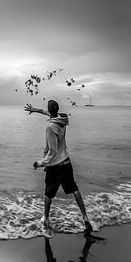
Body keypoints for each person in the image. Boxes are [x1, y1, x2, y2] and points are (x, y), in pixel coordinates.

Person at [24, 100, 92, 237]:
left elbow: (52, 152)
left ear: (50, 110)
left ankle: (46, 219)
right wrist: (34, 109)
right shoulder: (63, 118)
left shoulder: (51, 128)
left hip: (55, 165)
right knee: (74, 189)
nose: (47, 111)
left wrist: (40, 163)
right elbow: (46, 113)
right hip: (66, 162)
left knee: (48, 194)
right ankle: (85, 217)